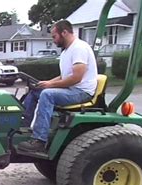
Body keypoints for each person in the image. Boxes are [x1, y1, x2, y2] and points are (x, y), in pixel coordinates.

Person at [18, 20, 98, 153]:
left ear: (64, 32)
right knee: (36, 90)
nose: (53, 40)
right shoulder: (66, 51)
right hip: (71, 89)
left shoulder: (79, 48)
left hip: (81, 92)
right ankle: (23, 127)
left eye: (54, 36)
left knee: (47, 94)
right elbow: (64, 76)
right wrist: (45, 83)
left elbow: (76, 78)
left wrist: (50, 85)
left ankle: (40, 140)